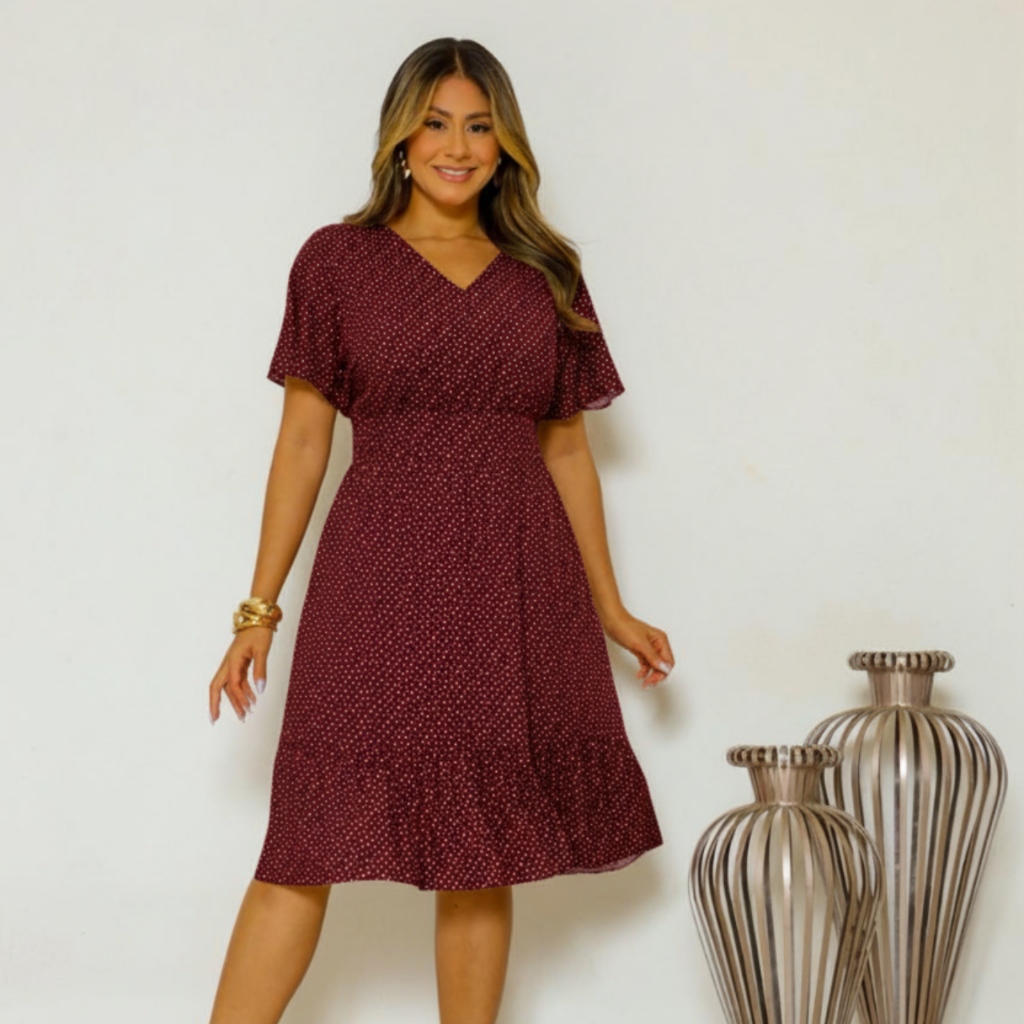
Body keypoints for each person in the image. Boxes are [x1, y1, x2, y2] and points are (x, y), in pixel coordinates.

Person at [205, 36, 675, 1024]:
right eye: (435, 124)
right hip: (377, 574)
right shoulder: (336, 261)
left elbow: (567, 448)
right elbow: (302, 443)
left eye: (479, 126)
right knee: (305, 841)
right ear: (399, 139)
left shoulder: (545, 273)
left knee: (478, 848)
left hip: (512, 576)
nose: (457, 147)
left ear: (505, 146)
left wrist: (611, 607)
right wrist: (258, 610)